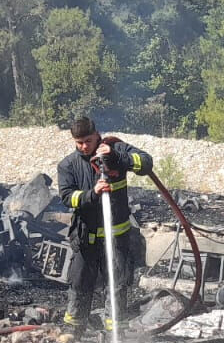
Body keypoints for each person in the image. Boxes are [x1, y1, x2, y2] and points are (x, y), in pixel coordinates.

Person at [56, 115, 153, 329]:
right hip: (85, 237)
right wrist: (92, 194)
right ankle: (74, 330)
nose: (84, 147)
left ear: (96, 134)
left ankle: (114, 331)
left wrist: (117, 157)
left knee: (116, 283)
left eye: (88, 141)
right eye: (79, 143)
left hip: (116, 236)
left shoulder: (115, 149)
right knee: (80, 283)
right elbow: (67, 197)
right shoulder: (68, 165)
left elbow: (146, 163)